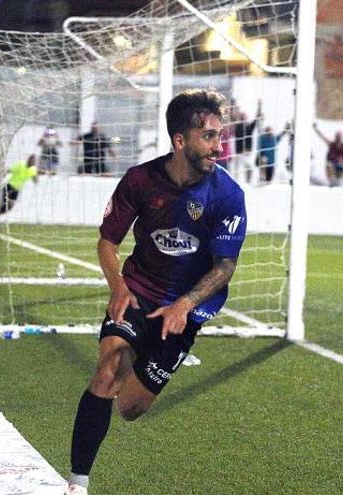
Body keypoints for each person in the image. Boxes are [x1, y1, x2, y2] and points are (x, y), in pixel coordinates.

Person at [63, 88, 247, 495]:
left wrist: (185, 304)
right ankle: (77, 483)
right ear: (180, 140)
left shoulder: (228, 195)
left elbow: (225, 266)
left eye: (220, 136)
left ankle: (139, 356)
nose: (219, 146)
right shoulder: (140, 180)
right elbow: (107, 242)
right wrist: (118, 286)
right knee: (108, 367)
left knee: (129, 407)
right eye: (209, 136)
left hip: (187, 310)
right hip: (139, 291)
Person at [231, 100, 262, 184]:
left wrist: (259, 106)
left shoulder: (249, 127)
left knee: (249, 167)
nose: (244, 118)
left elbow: (257, 119)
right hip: (239, 152)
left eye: (245, 116)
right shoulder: (237, 126)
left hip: (247, 152)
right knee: (236, 169)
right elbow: (233, 118)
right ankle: (235, 183)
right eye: (242, 116)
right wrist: (234, 107)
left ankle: (249, 182)